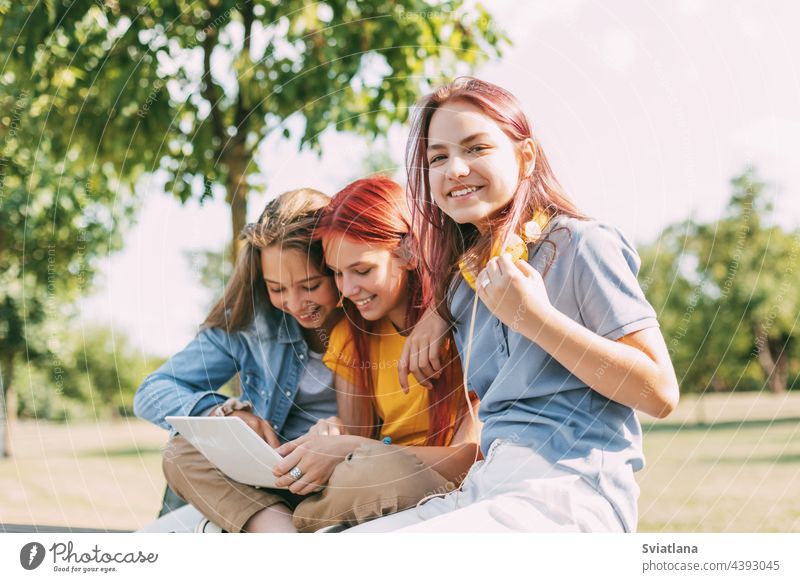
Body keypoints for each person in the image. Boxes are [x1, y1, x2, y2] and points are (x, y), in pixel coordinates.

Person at [348, 77, 679, 533]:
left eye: (476, 148)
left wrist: (535, 319)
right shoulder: (463, 284)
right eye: (438, 158)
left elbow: (660, 393)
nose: (455, 169)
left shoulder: (583, 243)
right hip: (488, 487)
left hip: (572, 492)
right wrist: (437, 314)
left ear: (525, 158)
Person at [272, 175, 478, 532]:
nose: (348, 289)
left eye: (363, 270)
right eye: (337, 273)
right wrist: (334, 436)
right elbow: (356, 437)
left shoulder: (461, 324)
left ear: (409, 250)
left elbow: (470, 458)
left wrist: (359, 449)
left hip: (430, 482)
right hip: (373, 477)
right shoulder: (352, 337)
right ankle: (278, 521)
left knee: (374, 472)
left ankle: (283, 526)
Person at [134, 188, 343, 532]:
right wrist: (224, 414)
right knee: (182, 452)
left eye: (309, 285)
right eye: (277, 289)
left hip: (335, 474)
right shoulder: (251, 326)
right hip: (264, 477)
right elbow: (152, 391)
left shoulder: (371, 318)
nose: (293, 303)